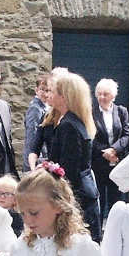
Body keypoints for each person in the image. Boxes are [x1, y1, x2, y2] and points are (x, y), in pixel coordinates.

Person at [44, 71, 101, 239]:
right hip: (84, 190)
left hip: (78, 195)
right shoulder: (74, 121)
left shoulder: (69, 125)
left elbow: (69, 169)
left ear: (64, 97)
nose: (50, 96)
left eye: (53, 92)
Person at [90, 78, 129, 220]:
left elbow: (126, 135)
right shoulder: (91, 112)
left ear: (113, 96)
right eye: (99, 94)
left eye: (105, 94)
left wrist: (114, 150)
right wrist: (105, 153)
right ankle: (98, 234)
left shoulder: (121, 111)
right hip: (98, 163)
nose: (102, 97)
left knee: (116, 201)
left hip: (117, 162)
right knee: (99, 200)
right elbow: (90, 136)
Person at [24, 73, 52, 171]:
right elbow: (32, 135)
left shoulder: (47, 107)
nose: (45, 93)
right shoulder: (35, 109)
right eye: (42, 89)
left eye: (47, 90)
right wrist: (33, 163)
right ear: (36, 90)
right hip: (37, 161)